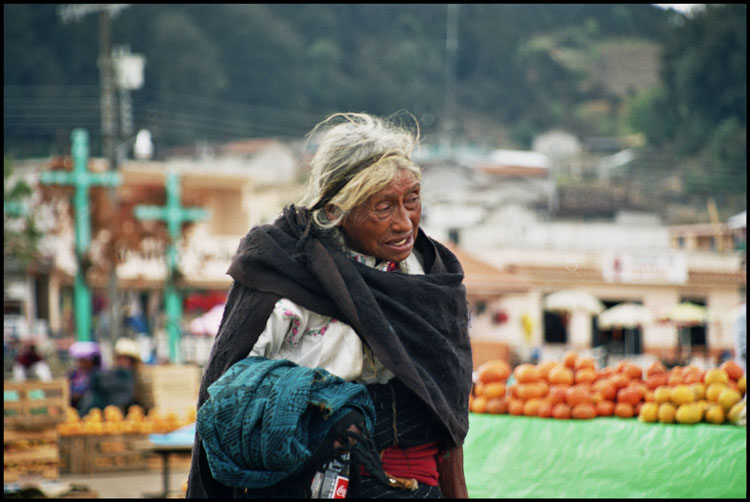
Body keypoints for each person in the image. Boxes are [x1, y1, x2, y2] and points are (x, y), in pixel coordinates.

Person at [187, 112, 473, 498]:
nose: (405, 223)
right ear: (335, 210)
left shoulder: (429, 279)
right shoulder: (283, 270)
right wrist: (317, 404)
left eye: (412, 201)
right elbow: (231, 397)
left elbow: (447, 408)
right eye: (383, 207)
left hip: (414, 484)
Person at [78, 337, 142, 415]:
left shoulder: (135, 377)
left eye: (125, 358)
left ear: (132, 361)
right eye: (120, 358)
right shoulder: (107, 376)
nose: (122, 361)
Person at [67, 341, 102, 410]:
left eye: (85, 361)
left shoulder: (96, 375)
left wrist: (80, 395)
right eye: (80, 361)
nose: (82, 364)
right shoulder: (74, 374)